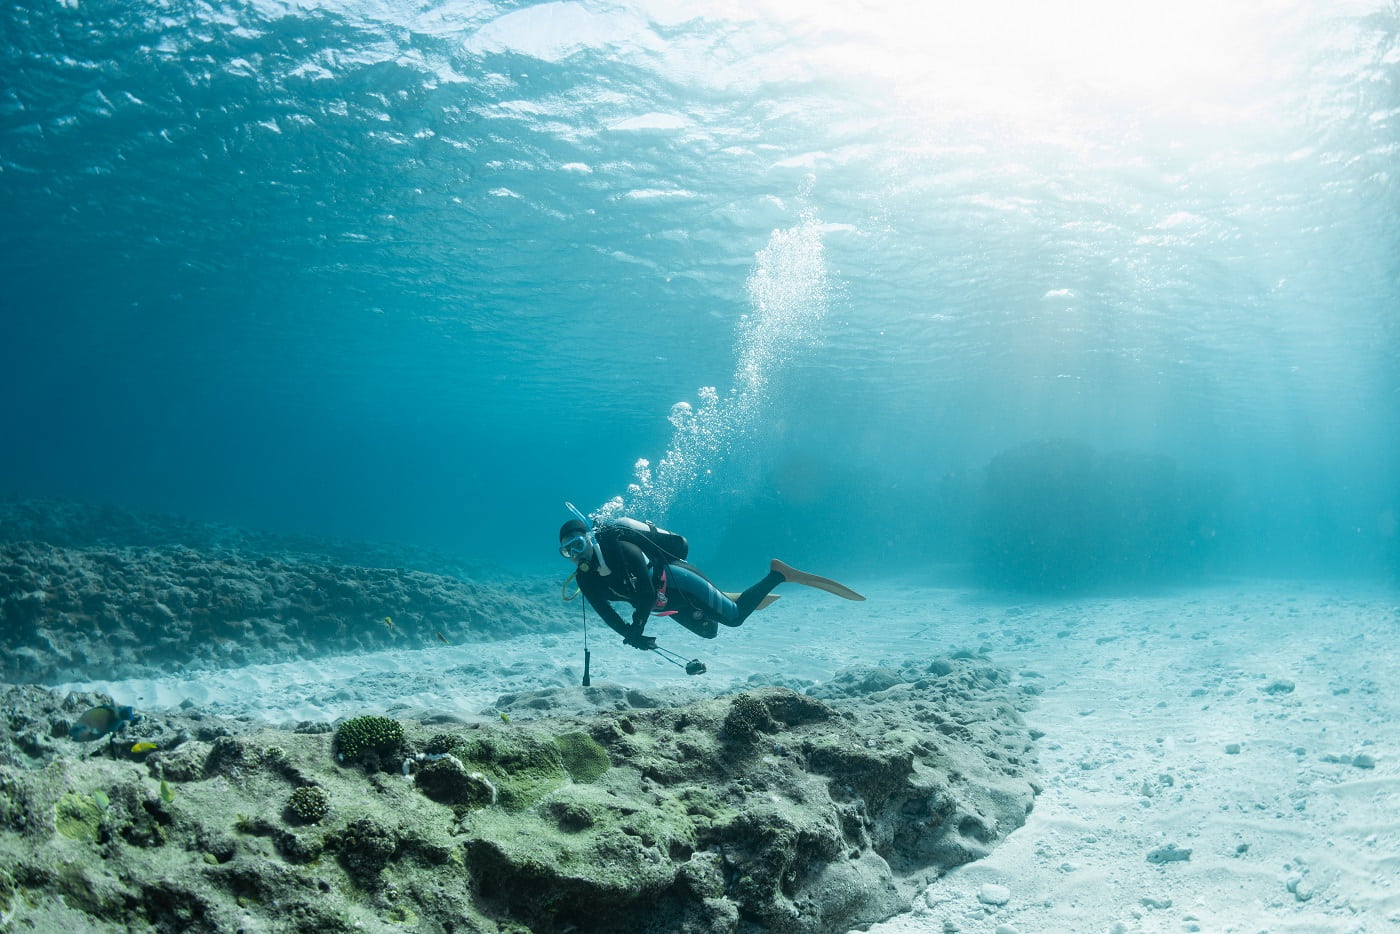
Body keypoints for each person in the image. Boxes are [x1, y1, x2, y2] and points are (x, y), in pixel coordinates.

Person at [559, 511, 864, 651]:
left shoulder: (621, 547)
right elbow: (607, 612)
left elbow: (646, 595)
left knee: (733, 619)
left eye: (578, 544)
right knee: (709, 633)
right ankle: (727, 597)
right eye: (567, 551)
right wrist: (631, 634)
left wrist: (637, 628)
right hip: (666, 604)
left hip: (677, 581)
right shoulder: (587, 579)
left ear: (589, 538)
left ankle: (779, 574)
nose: (576, 554)